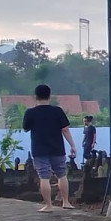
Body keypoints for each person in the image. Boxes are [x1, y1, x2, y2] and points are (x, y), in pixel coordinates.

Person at [22, 84, 77, 212]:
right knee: (62, 175)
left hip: (39, 150)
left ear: (35, 96)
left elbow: (25, 128)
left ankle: (48, 205)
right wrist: (72, 145)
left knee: (44, 177)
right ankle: (66, 201)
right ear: (49, 96)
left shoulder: (30, 112)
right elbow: (65, 129)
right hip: (57, 148)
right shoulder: (57, 111)